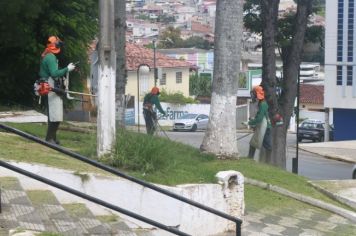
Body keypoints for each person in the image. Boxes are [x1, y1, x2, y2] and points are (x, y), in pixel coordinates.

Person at [39, 36, 76, 144]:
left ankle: (53, 138)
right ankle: (49, 139)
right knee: (55, 115)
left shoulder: (47, 55)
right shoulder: (50, 57)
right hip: (50, 86)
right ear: (55, 45)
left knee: (54, 114)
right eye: (58, 44)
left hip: (48, 85)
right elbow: (54, 74)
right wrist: (67, 69)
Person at [247, 85, 272, 161]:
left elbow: (259, 119)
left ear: (257, 94)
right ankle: (250, 159)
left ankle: (268, 162)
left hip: (265, 128)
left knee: (268, 146)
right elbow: (260, 117)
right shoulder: (261, 103)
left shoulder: (263, 104)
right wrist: (253, 120)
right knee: (253, 143)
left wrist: (249, 122)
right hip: (262, 127)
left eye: (254, 94)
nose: (253, 96)